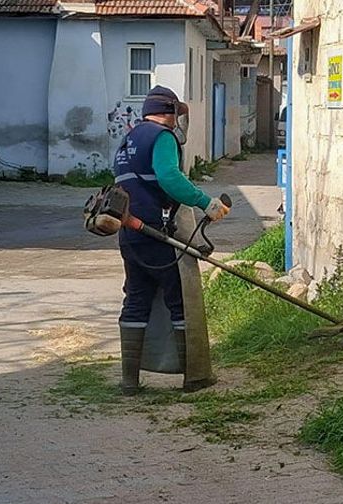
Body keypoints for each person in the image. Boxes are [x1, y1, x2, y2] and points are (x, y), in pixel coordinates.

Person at [114, 86, 230, 395]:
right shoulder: (161, 137)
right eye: (178, 115)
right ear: (169, 113)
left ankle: (129, 381)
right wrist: (206, 202)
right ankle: (194, 377)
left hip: (129, 231)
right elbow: (170, 178)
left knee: (136, 299)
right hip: (155, 230)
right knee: (180, 298)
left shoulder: (129, 140)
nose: (179, 121)